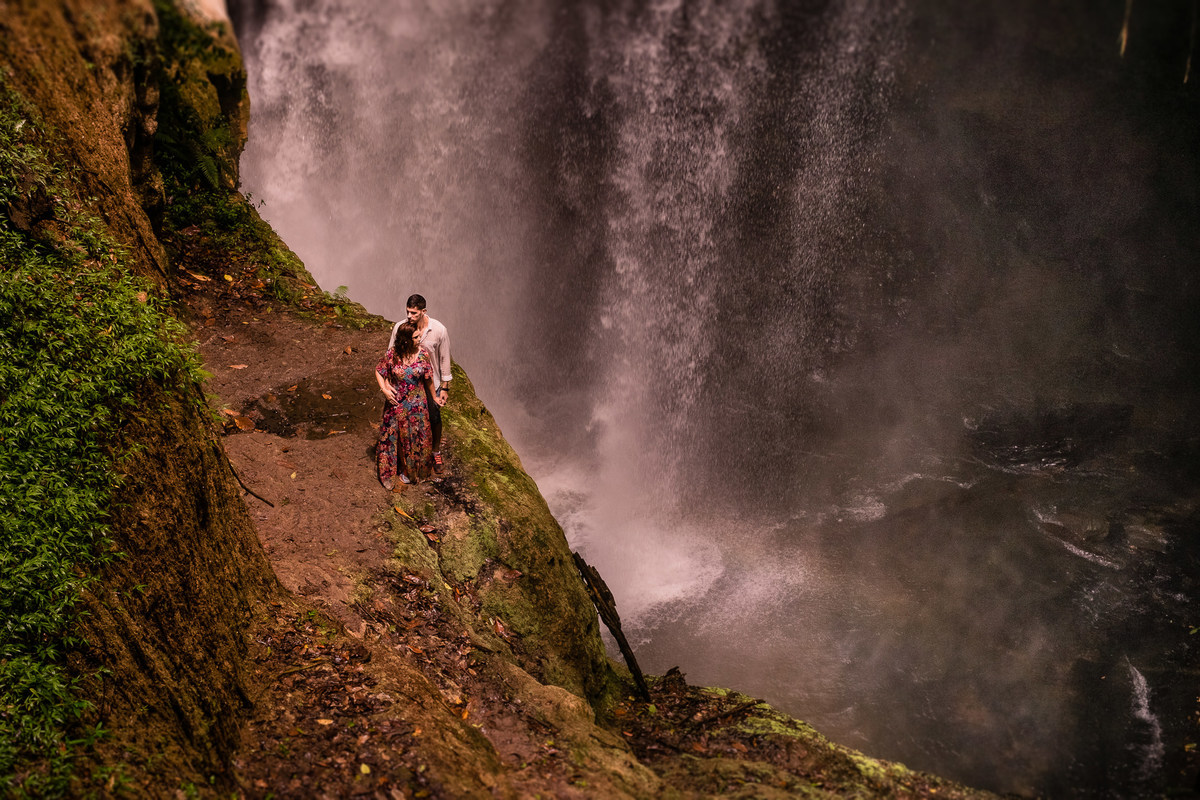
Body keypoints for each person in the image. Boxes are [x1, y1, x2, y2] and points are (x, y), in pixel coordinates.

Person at [387, 294, 451, 473]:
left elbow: (444, 358)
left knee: (434, 416)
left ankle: (435, 450)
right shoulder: (400, 328)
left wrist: (445, 387)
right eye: (407, 311)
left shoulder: (439, 330)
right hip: (407, 383)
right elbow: (390, 354)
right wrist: (387, 384)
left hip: (432, 381)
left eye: (414, 313)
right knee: (405, 420)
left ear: (424, 312)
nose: (409, 316)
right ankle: (407, 455)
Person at [375, 321, 435, 489]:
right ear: (406, 340)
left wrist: (435, 398)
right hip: (396, 403)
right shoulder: (392, 355)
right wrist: (385, 390)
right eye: (416, 337)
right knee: (394, 437)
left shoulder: (423, 354)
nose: (420, 338)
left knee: (416, 437)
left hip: (417, 405)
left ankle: (412, 471)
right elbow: (379, 371)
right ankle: (390, 472)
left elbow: (429, 379)